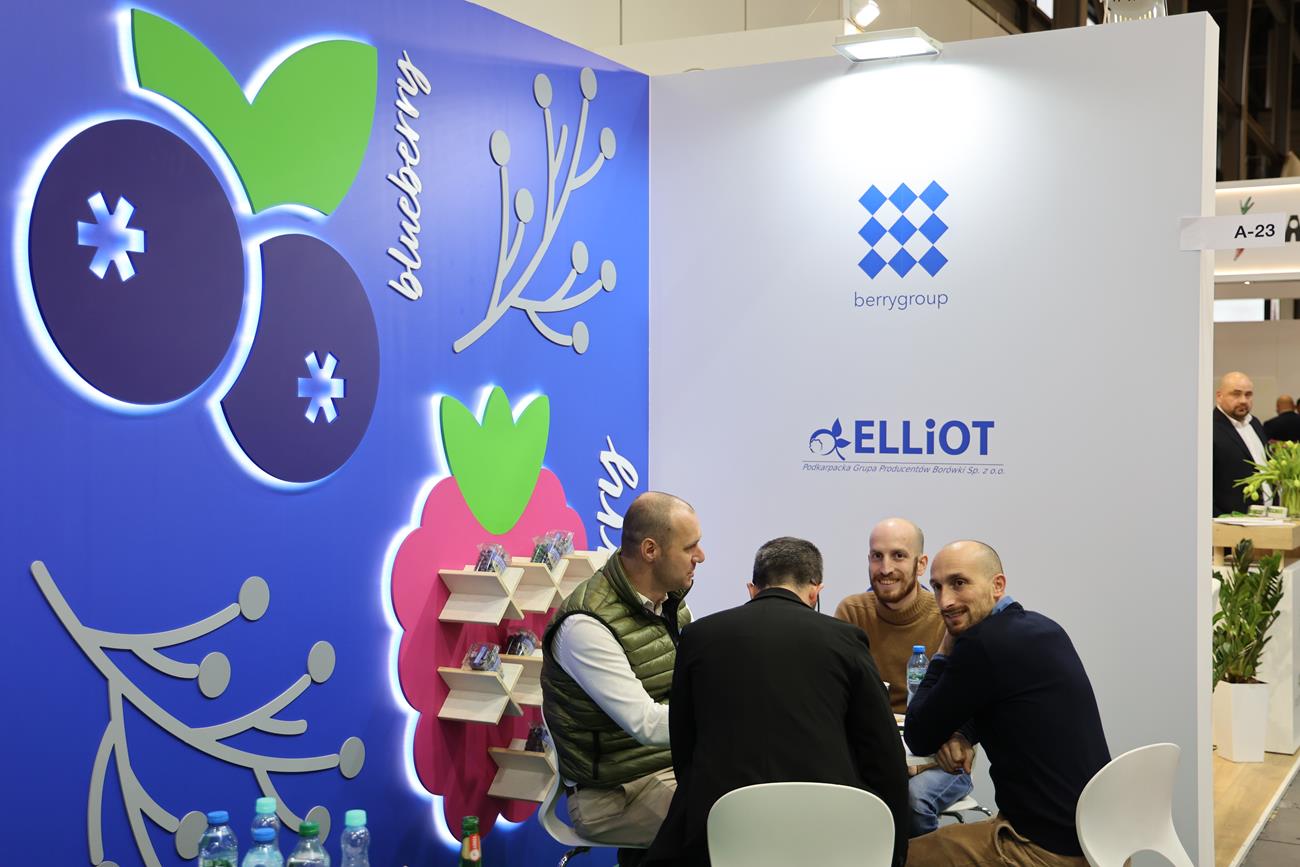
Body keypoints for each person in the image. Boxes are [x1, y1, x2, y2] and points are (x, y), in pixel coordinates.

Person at [645, 537, 909, 867]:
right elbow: (883, 754)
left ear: (752, 589)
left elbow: (684, 745)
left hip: (722, 832)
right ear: (815, 592)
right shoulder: (845, 639)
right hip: (826, 833)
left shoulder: (698, 636)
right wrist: (895, 851)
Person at [904, 541, 1110, 867]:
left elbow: (918, 735)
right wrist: (961, 734)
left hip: (1045, 849)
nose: (945, 601)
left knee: (900, 857)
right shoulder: (1044, 627)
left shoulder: (980, 644)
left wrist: (943, 653)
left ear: (997, 585)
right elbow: (1005, 701)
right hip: (1103, 840)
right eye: (937, 587)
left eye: (959, 583)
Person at [540, 492, 704, 865]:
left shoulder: (671, 603)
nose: (701, 556)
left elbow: (696, 687)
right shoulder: (586, 625)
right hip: (610, 798)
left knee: (754, 792)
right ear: (650, 550)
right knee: (729, 822)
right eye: (690, 547)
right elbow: (644, 723)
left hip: (670, 769)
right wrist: (724, 717)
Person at [834, 517, 975, 837]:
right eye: (877, 556)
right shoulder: (852, 612)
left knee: (911, 801)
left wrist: (955, 741)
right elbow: (840, 701)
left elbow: (965, 705)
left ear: (921, 564)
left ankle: (918, 857)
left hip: (936, 757)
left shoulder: (946, 616)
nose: (885, 568)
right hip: (873, 753)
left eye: (898, 555)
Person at [1213, 371, 1271, 515]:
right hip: (1230, 520)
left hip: (1267, 517)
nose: (1243, 400)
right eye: (1236, 394)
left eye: (1248, 394)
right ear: (1219, 396)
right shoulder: (1209, 428)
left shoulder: (1255, 423)